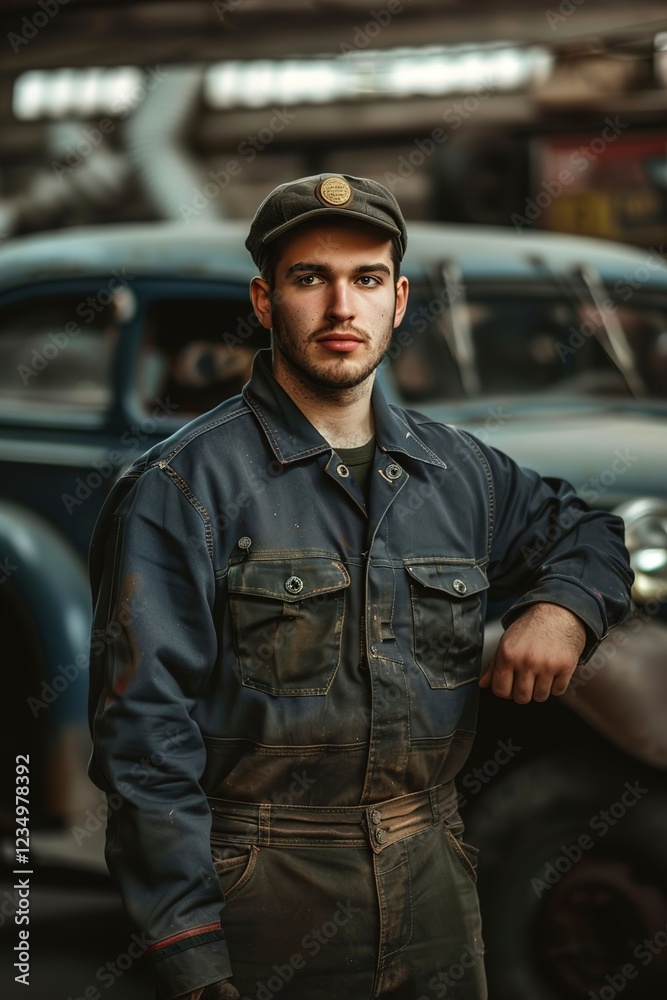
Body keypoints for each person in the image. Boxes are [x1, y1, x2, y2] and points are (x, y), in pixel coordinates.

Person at [87, 173, 633, 1000]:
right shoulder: (181, 487)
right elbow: (142, 742)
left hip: (434, 872)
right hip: (263, 883)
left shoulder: (463, 474)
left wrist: (562, 610)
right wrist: (191, 953)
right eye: (310, 278)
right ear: (265, 302)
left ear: (398, 298)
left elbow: (588, 531)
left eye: (366, 279)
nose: (342, 306)